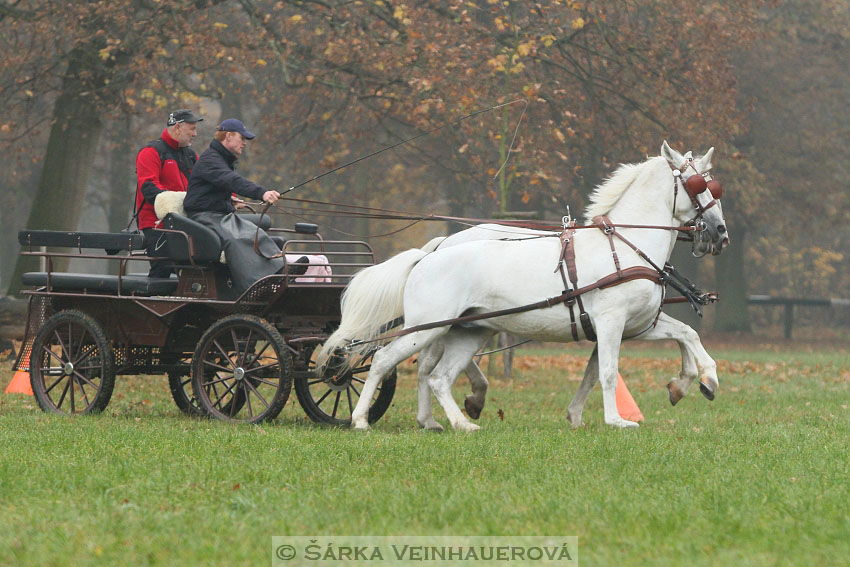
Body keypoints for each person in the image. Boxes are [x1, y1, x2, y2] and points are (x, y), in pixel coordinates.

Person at [184, 118, 285, 294]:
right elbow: (231, 181)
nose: (244, 143)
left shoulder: (222, 159)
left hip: (218, 214)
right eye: (242, 138)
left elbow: (212, 189)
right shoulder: (211, 159)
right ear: (228, 136)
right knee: (236, 240)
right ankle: (253, 286)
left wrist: (228, 201)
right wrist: (262, 193)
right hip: (204, 217)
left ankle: (279, 270)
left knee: (255, 232)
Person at [135, 109, 203, 278]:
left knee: (196, 267)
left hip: (185, 221)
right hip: (156, 223)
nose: (195, 134)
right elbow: (149, 188)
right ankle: (152, 302)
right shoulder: (151, 151)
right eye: (192, 129)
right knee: (163, 267)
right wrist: (177, 201)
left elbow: (205, 182)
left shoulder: (190, 155)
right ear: (178, 128)